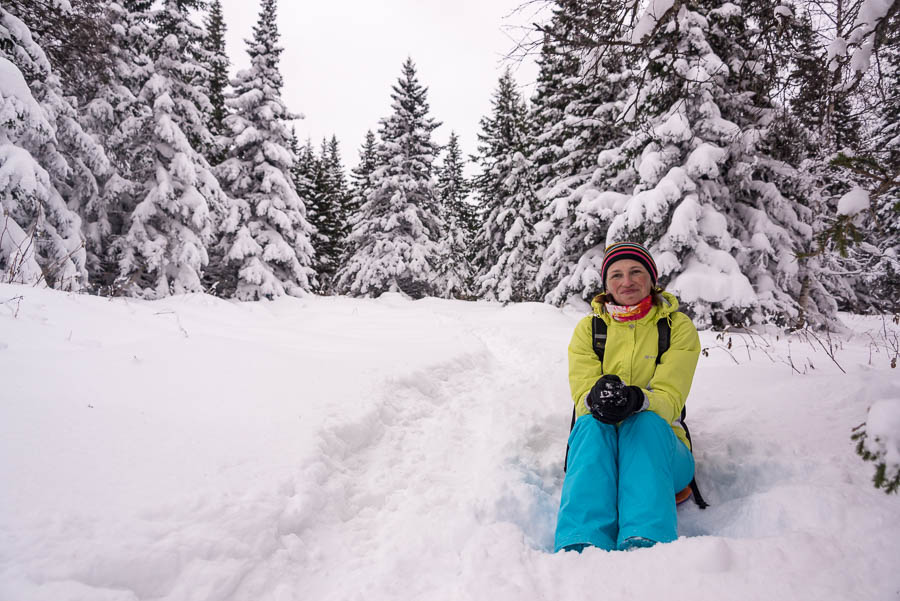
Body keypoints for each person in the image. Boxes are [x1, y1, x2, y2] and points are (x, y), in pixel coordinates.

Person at [554, 241, 701, 552]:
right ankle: (580, 540)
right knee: (591, 425)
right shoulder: (589, 329)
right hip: (601, 455)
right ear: (606, 285)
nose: (627, 282)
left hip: (663, 456)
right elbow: (582, 393)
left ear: (652, 279)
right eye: (616, 275)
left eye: (636, 272)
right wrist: (595, 399)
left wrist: (638, 400)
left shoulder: (676, 328)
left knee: (645, 423)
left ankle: (647, 540)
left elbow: (671, 395)